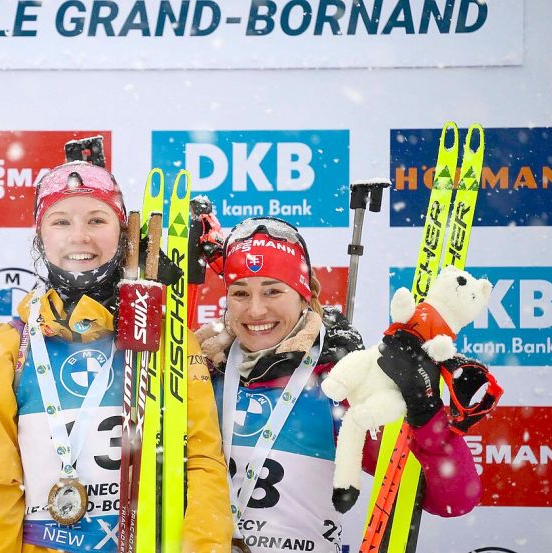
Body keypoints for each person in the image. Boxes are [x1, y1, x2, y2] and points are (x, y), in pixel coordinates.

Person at [0, 161, 232, 552]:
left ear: (123, 234)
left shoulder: (168, 337)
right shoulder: (9, 346)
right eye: (60, 222)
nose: (79, 237)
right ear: (40, 236)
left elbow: (203, 463)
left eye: (96, 220)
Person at [194, 216, 482, 553]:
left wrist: (425, 409)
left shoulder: (339, 385)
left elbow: (454, 498)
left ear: (304, 296)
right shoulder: (201, 376)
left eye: (273, 291)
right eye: (240, 293)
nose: (256, 310)